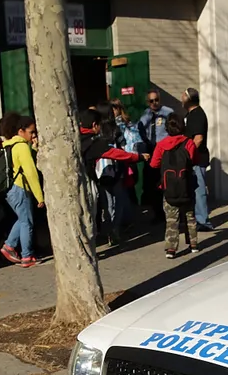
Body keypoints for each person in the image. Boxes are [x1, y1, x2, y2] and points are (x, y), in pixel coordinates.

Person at [79, 108, 147, 246]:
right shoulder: (94, 143)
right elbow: (116, 154)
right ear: (94, 125)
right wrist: (138, 157)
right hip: (89, 181)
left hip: (88, 178)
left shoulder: (75, 137)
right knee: (94, 211)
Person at [149, 113, 201, 258]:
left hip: (169, 187)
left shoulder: (161, 145)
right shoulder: (188, 142)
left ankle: (171, 249)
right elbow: (194, 159)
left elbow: (154, 164)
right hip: (187, 185)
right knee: (190, 215)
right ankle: (193, 244)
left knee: (172, 218)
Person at [0, 116, 45, 268]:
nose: (34, 135)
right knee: (27, 222)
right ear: (21, 131)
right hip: (20, 188)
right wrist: (39, 197)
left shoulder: (10, 145)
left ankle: (9, 246)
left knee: (23, 219)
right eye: (31, 132)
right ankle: (27, 255)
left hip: (10, 189)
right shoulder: (21, 147)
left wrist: (34, 147)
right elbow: (30, 172)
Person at [138, 90, 173, 223]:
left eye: (156, 100)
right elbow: (140, 129)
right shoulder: (146, 115)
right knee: (153, 183)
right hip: (151, 150)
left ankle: (169, 213)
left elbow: (173, 129)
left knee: (165, 181)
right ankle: (157, 213)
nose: (154, 103)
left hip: (164, 150)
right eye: (151, 101)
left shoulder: (167, 112)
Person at [183, 87, 214, 230]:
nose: (181, 98)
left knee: (199, 189)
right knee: (193, 189)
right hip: (193, 158)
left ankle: (203, 221)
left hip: (197, 158)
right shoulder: (190, 114)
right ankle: (196, 219)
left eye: (183, 95)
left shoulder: (197, 115)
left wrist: (187, 154)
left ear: (189, 99)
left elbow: (198, 138)